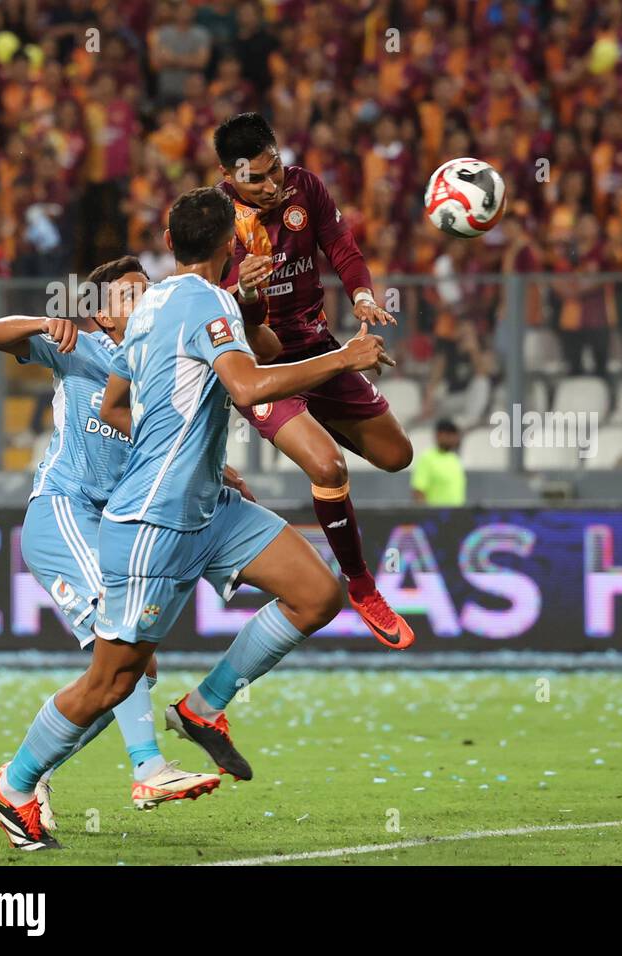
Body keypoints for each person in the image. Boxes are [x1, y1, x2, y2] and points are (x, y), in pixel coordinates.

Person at [0, 187, 393, 850]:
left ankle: (202, 709)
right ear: (231, 244)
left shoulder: (159, 310)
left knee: (315, 594)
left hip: (208, 506)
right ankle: (16, 784)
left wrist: (191, 452)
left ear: (168, 247)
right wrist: (345, 357)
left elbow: (119, 402)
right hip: (153, 521)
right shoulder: (191, 304)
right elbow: (250, 386)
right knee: (115, 677)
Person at [0, 256, 221, 826]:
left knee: (131, 668)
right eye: (129, 292)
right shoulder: (77, 347)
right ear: (101, 312)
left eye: (148, 289)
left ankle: (18, 782)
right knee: (120, 639)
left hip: (113, 526)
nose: (144, 298)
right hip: (64, 509)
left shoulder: (159, 367)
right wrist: (43, 323)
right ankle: (148, 769)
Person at [213, 113, 416, 650]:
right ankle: (361, 585)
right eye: (256, 178)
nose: (272, 183)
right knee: (328, 465)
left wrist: (364, 296)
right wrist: (241, 294)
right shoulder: (213, 220)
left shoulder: (307, 188)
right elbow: (209, 308)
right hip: (262, 369)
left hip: (319, 348)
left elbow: (343, 248)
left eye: (274, 167)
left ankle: (320, 420)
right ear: (228, 176)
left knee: (398, 456)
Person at [410, 419, 467, 506]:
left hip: (457, 516)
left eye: (453, 435)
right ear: (438, 435)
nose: (453, 439)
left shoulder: (455, 459)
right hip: (435, 517)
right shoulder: (427, 459)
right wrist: (424, 516)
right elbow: (419, 491)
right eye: (448, 435)